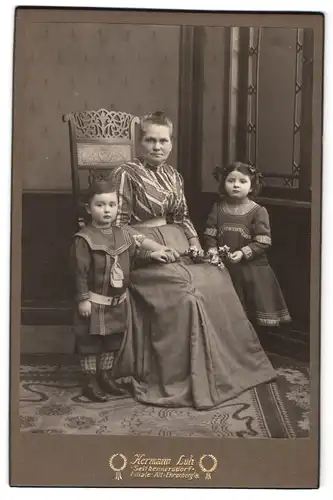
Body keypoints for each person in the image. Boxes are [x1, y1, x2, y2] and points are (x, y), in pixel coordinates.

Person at [107, 111, 277, 410]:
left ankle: (226, 372)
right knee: (188, 295)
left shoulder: (174, 175)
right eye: (150, 140)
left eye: (163, 140)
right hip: (140, 253)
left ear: (171, 143)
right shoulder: (125, 173)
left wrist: (197, 245)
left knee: (216, 277)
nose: (157, 146)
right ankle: (189, 378)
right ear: (139, 141)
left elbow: (182, 217)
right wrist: (149, 249)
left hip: (178, 244)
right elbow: (117, 226)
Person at [71, 180, 178, 402]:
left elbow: (132, 258)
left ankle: (106, 377)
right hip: (94, 302)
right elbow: (79, 273)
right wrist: (83, 299)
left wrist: (152, 255)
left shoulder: (124, 234)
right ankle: (91, 381)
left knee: (112, 340)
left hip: (117, 301)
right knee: (91, 342)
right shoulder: (83, 240)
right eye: (100, 205)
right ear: (88, 208)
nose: (107, 210)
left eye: (112, 204)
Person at [204, 161, 291, 328]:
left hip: (252, 271)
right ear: (224, 184)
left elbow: (263, 241)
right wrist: (213, 250)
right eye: (231, 181)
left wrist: (243, 252)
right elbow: (210, 234)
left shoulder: (258, 211)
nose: (236, 185)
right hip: (226, 269)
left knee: (252, 312)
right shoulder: (218, 208)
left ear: (251, 187)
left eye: (242, 181)